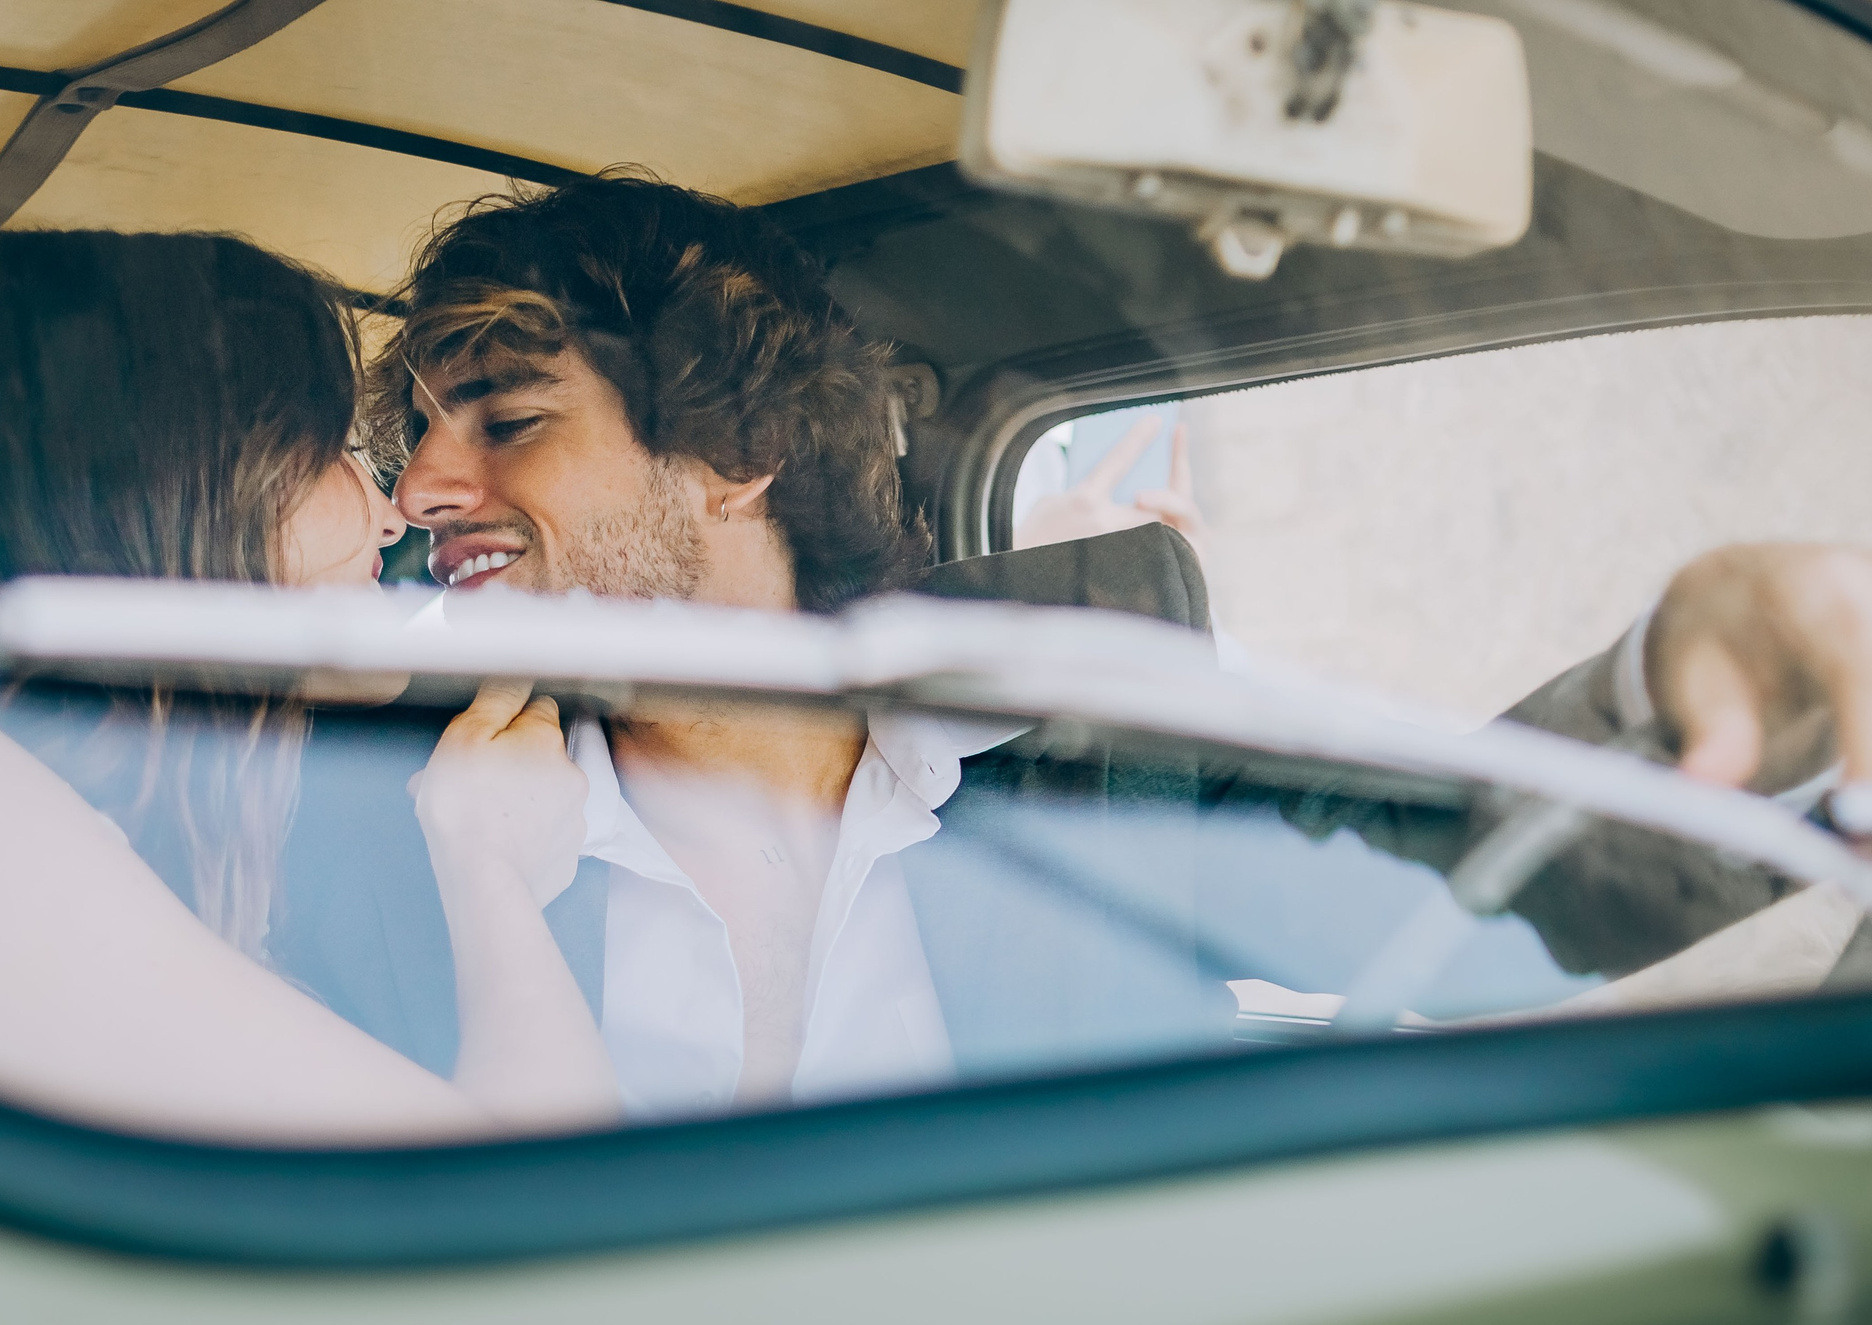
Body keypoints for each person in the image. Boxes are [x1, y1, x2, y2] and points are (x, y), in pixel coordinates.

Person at [273, 170, 1872, 1117]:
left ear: (734, 450)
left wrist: (1686, 689)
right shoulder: (389, 830)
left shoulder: (1089, 741)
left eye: (508, 420)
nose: (421, 487)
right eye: (420, 428)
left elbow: (1445, 898)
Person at [0, 230, 613, 1140]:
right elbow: (532, 1208)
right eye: (337, 445)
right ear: (172, 480)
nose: (391, 517)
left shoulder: (133, 826)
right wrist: (491, 873)